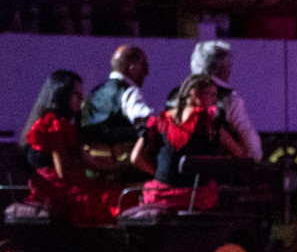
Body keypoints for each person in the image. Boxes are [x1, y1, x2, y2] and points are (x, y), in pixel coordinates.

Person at [130, 73, 249, 211]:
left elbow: (135, 157)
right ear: (194, 93)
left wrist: (163, 175)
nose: (214, 100)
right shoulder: (208, 122)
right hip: (196, 198)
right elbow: (240, 154)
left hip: (161, 196)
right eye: (211, 95)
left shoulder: (158, 121)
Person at [21, 69, 121, 225]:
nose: (81, 99)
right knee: (108, 199)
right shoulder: (53, 125)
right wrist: (94, 182)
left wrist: (117, 166)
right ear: (62, 94)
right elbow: (63, 172)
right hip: (53, 188)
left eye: (81, 94)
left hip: (64, 182)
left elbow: (86, 160)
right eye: (76, 94)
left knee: (114, 191)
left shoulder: (66, 127)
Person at [187, 40, 263, 160]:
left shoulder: (179, 95)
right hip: (217, 168)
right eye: (229, 66)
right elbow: (254, 152)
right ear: (223, 69)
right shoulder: (230, 100)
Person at [81, 44, 153, 147]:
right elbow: (147, 123)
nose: (146, 73)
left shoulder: (94, 92)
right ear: (132, 67)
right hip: (120, 155)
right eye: (144, 66)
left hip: (90, 154)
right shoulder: (130, 92)